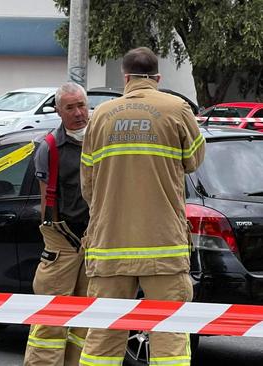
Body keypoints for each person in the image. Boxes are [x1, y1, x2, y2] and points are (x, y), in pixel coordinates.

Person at [78, 47, 205, 366]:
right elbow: (194, 161)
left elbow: (87, 186)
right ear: (158, 78)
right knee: (170, 337)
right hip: (163, 246)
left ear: (125, 77)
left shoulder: (100, 116)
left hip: (110, 246)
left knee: (102, 338)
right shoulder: (177, 109)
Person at [24, 82, 90, 366]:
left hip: (96, 239)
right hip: (62, 238)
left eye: (81, 106)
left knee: (87, 318)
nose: (78, 113)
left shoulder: (102, 141)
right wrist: (53, 236)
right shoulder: (50, 147)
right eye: (70, 107)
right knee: (52, 317)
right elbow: (44, 202)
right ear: (58, 111)